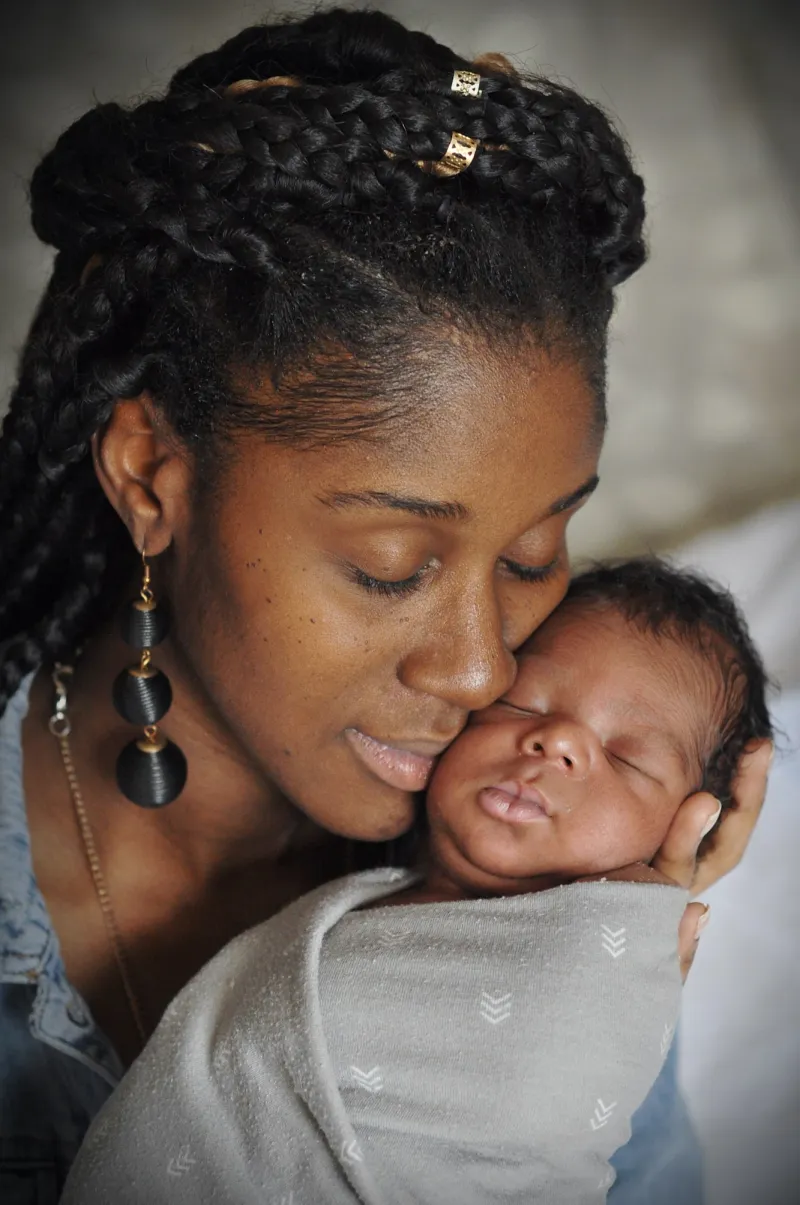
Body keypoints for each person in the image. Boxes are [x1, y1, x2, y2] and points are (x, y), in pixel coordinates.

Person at [0, 8, 770, 1205]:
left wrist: (600, 935)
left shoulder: (546, 877)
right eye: (389, 565)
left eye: (532, 554)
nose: (478, 671)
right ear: (152, 473)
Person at [60, 557, 773, 1205]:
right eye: (521, 704)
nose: (554, 741)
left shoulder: (612, 976)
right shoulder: (368, 874)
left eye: (626, 758)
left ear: (681, 830)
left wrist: (630, 946)